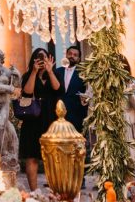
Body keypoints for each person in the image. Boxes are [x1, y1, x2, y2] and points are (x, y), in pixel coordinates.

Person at [18, 47, 61, 190]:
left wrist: (49, 71)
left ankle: (53, 190)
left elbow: (57, 88)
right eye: (39, 57)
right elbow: (27, 92)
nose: (42, 60)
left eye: (44, 57)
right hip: (32, 121)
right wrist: (34, 72)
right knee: (32, 157)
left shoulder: (53, 74)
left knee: (52, 158)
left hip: (50, 120)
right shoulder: (28, 75)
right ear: (34, 60)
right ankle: (34, 192)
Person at [56, 45, 88, 134]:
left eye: (75, 55)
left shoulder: (84, 73)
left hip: (77, 115)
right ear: (66, 55)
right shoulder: (57, 72)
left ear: (78, 58)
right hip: (58, 116)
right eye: (70, 54)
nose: (72, 56)